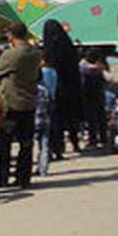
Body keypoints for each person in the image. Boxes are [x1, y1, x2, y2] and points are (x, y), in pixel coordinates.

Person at [0, 22, 42, 188]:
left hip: (11, 103)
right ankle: (23, 177)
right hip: (29, 101)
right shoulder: (35, 52)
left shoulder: (11, 54)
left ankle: (2, 177)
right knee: (26, 142)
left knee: (4, 143)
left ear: (11, 35)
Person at [42, 20, 82, 156]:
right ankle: (75, 142)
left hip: (55, 90)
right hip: (71, 87)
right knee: (72, 118)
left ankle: (58, 147)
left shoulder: (49, 50)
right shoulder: (68, 46)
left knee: (56, 120)